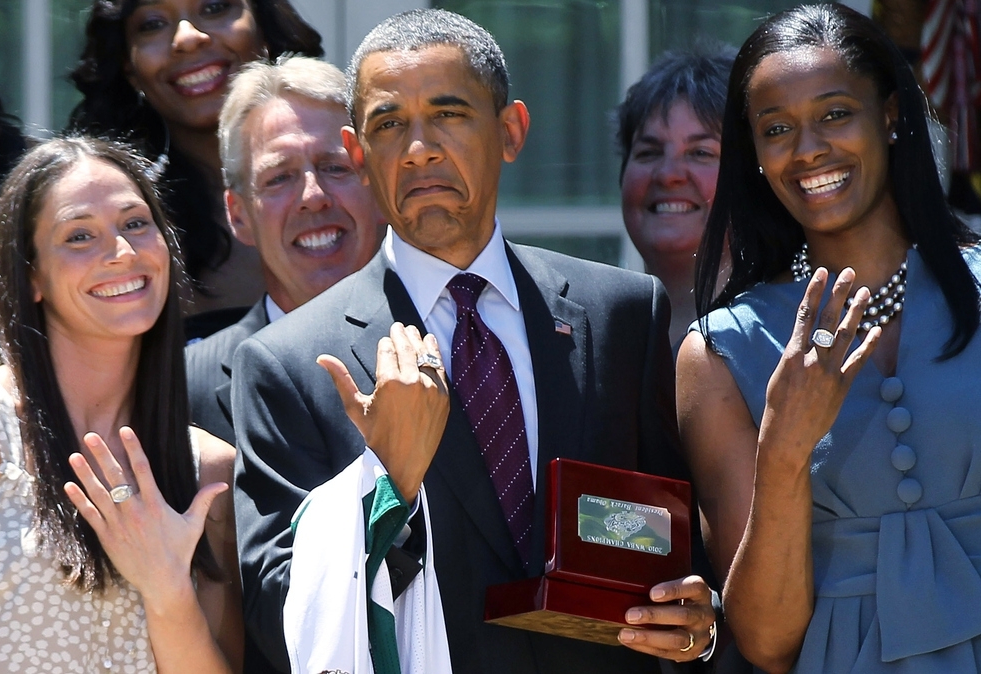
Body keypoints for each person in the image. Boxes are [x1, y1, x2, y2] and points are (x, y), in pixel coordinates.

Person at [232, 9, 716, 674]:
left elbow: (674, 554)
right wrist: (387, 486)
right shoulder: (290, 364)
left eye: (450, 113)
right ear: (358, 154)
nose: (419, 147)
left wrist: (695, 620)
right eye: (388, 123)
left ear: (511, 130)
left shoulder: (623, 314)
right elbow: (275, 614)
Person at [679, 4, 981, 673]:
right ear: (753, 154)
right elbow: (768, 643)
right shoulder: (720, 353)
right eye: (777, 128)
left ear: (892, 116)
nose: (808, 147)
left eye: (836, 113)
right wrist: (784, 452)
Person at [0, 137, 244, 672]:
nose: (123, 252)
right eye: (80, 235)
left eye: (135, 223)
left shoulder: (209, 471)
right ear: (32, 275)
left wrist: (165, 588)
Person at [69, 0, 322, 335]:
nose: (187, 37)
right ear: (128, 67)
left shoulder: (365, 184)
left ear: (264, 25)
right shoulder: (127, 228)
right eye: (152, 24)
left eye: (214, 7)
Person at [186, 55, 385, 448]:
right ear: (238, 214)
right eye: (279, 178)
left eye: (335, 167)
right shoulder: (186, 386)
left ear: (378, 185)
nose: (313, 197)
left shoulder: (446, 341)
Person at [617, 45, 735, 345]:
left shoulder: (787, 336)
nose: (668, 174)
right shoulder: (586, 339)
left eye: (700, 152)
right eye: (648, 152)